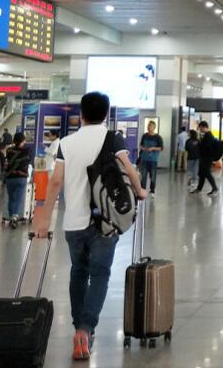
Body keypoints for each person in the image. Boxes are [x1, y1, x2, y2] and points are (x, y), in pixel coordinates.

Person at [33, 92, 147, 361]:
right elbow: (129, 169)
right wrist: (140, 191)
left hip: (74, 221)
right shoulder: (113, 139)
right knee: (100, 274)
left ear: (81, 114)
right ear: (106, 114)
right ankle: (86, 329)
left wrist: (44, 218)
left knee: (78, 273)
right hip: (105, 221)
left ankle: (78, 328)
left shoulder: (66, 143)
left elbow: (56, 182)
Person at [3, 133, 31, 228]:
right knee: (18, 199)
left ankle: (11, 217)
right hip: (21, 177)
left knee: (11, 198)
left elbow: (7, 161)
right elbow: (28, 161)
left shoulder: (9, 150)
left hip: (10, 177)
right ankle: (14, 218)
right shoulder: (26, 151)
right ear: (23, 141)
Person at [193, 123, 220, 196]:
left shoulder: (208, 135)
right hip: (205, 157)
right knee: (202, 173)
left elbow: (206, 147)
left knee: (207, 173)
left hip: (207, 158)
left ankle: (215, 188)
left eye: (200, 128)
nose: (200, 129)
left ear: (204, 127)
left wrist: (198, 144)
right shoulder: (208, 135)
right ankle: (199, 189)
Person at [137, 122, 163, 196]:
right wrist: (144, 148)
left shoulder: (158, 137)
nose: (149, 127)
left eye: (150, 126)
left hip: (153, 160)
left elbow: (161, 148)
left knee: (153, 176)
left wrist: (153, 148)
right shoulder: (144, 136)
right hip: (144, 159)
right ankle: (143, 190)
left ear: (154, 127)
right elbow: (140, 145)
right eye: (148, 126)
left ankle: (152, 190)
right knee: (143, 176)